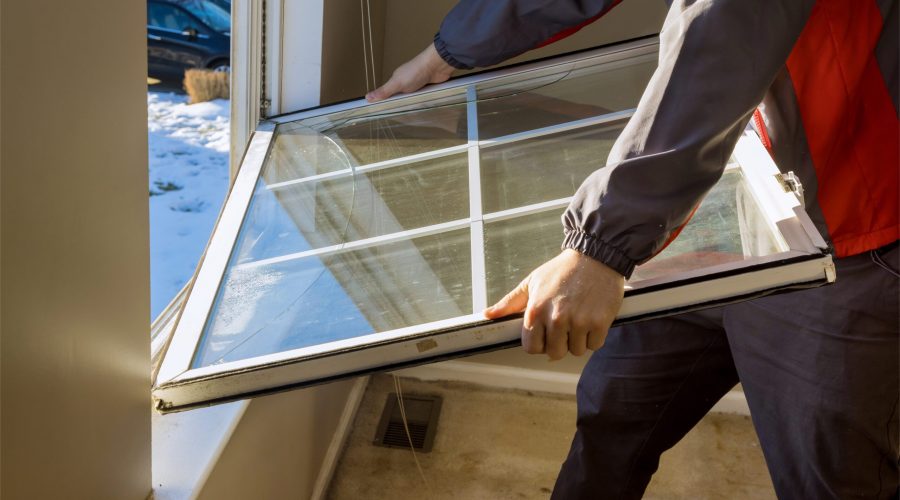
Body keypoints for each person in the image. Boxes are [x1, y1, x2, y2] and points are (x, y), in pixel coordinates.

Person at [368, 1, 899, 498]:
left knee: (831, 478)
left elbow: (724, 37)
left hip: (848, 230)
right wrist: (450, 50)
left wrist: (601, 246)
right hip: (731, 188)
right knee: (611, 419)